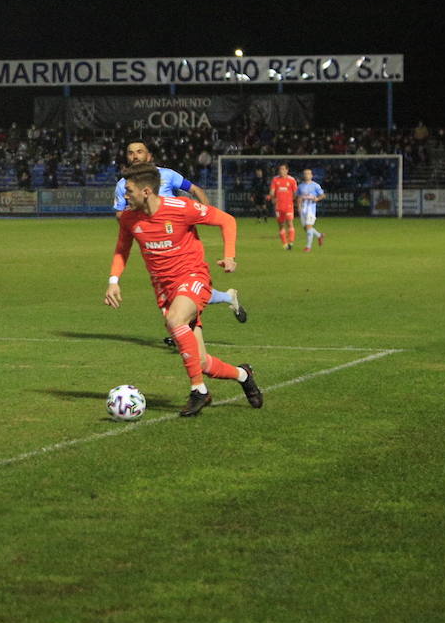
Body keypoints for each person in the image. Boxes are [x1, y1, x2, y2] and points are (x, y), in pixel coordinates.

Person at [104, 164, 263, 417]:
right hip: (164, 289)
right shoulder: (129, 218)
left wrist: (229, 256)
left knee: (175, 319)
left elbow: (226, 220)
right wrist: (114, 280)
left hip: (193, 276)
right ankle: (244, 375)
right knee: (200, 363)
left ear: (146, 191)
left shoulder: (180, 208)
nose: (124, 196)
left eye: (129, 191)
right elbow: (122, 249)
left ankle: (198, 391)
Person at [112, 139, 247, 333]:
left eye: (140, 152)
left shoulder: (168, 175)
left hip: (179, 235)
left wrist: (206, 212)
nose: (135, 156)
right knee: (174, 289)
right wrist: (138, 229)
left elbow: (194, 189)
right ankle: (222, 301)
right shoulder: (122, 185)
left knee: (185, 289)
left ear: (149, 156)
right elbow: (120, 213)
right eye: (130, 153)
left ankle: (183, 329)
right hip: (154, 242)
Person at [270, 163, 299, 250]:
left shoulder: (291, 180)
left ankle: (291, 242)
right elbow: (272, 191)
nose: (281, 171)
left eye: (283, 169)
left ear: (287, 170)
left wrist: (290, 200)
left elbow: (295, 193)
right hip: (279, 206)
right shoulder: (275, 179)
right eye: (280, 169)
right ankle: (285, 244)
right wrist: (272, 197)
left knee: (290, 223)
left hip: (288, 206)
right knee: (281, 225)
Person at [297, 168, 326, 252]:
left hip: (311, 209)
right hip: (303, 209)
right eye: (305, 174)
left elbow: (323, 195)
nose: (306, 175)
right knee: (306, 228)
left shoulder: (315, 185)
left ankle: (308, 247)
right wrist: (298, 206)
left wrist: (317, 199)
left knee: (309, 227)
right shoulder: (300, 186)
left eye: (308, 174)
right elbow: (298, 197)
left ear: (311, 175)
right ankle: (319, 235)